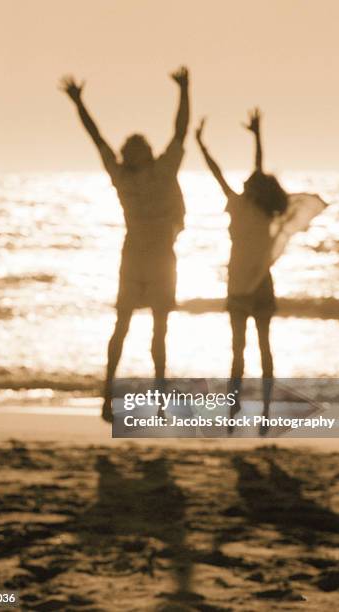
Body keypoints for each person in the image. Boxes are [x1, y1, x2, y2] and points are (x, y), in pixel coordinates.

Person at [60, 67, 189, 421]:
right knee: (123, 326)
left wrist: (184, 91)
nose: (133, 153)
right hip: (136, 258)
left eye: (137, 148)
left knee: (158, 332)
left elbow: (180, 131)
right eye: (131, 149)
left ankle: (160, 396)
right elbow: (96, 137)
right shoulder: (124, 178)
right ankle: (107, 393)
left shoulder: (162, 171)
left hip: (160, 258)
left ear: (144, 152)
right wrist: (78, 102)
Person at [196, 109, 288, 420]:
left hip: (241, 283)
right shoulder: (264, 211)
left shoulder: (238, 204)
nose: (246, 180)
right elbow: (254, 168)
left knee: (241, 348)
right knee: (263, 348)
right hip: (260, 282)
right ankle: (263, 407)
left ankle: (236, 404)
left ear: (253, 188)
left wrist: (201, 145)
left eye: (249, 181)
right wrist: (257, 135)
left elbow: (217, 173)